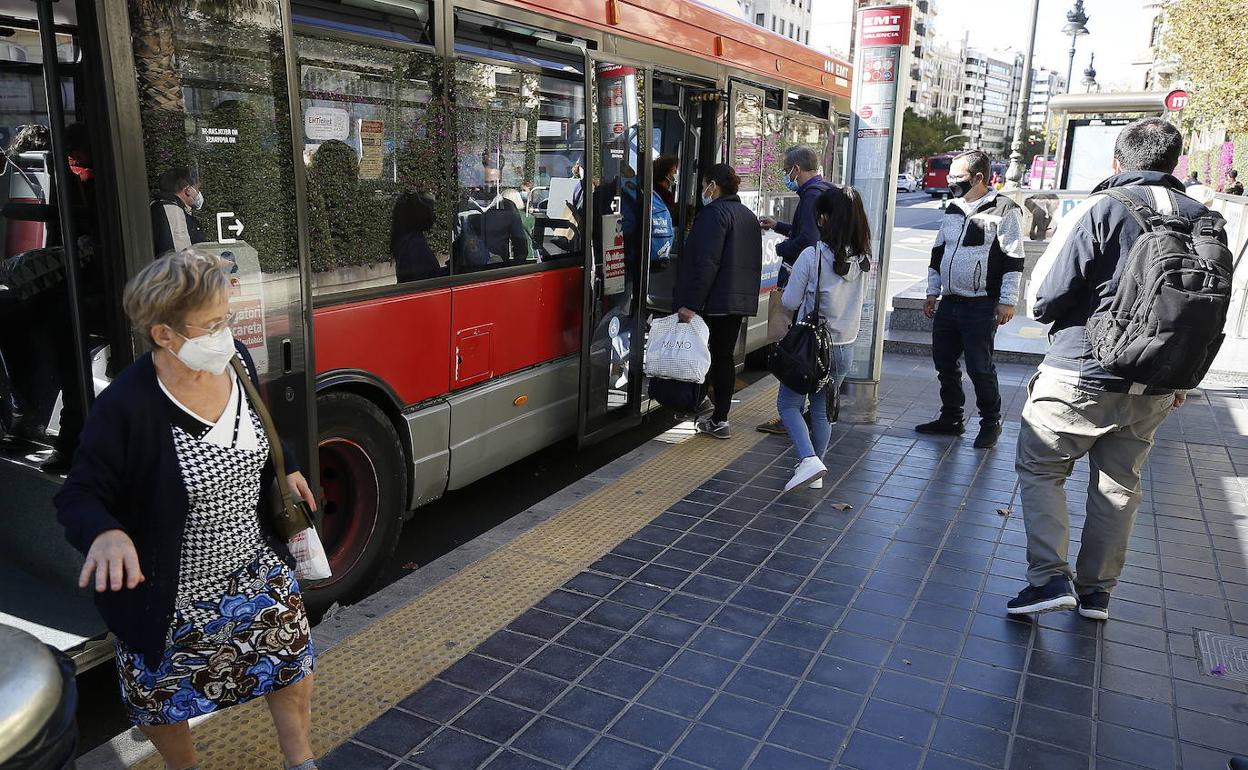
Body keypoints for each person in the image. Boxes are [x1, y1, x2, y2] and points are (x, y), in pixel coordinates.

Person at [55, 250, 320, 770]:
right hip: (170, 590)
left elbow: (260, 424)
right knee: (160, 701)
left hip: (253, 567)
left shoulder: (236, 359)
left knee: (289, 665)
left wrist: (283, 467)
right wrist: (105, 532)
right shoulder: (127, 406)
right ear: (163, 335)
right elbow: (78, 494)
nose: (226, 332)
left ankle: (301, 761)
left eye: (226, 317)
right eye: (212, 324)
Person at [1007, 117, 1226, 621]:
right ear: (1174, 163)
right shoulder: (1203, 218)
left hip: (1081, 370)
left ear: (1117, 162)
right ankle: (1097, 593)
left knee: (1041, 468)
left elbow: (1047, 297)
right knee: (1118, 484)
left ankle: (1048, 579)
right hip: (1157, 378)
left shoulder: (1104, 208)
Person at [915, 149, 1024, 449]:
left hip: (982, 304)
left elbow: (1014, 258)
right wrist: (931, 292)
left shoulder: (1004, 209)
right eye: (949, 175)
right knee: (944, 364)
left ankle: (991, 421)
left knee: (979, 367)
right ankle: (951, 417)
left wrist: (1007, 300)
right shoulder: (953, 208)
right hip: (949, 303)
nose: (950, 181)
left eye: (957, 176)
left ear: (979, 177)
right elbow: (938, 253)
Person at [778, 186, 872, 494]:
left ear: (825, 219)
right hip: (844, 347)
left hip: (812, 347)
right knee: (821, 410)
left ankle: (808, 459)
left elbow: (790, 302)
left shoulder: (812, 255)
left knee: (788, 405)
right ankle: (816, 473)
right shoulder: (865, 259)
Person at [675, 164, 762, 438]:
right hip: (737, 302)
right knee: (723, 356)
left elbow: (706, 264)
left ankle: (697, 403)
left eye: (704, 185)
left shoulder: (713, 215)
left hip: (713, 300)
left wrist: (690, 303)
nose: (703, 191)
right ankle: (720, 419)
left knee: (700, 354)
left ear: (714, 185)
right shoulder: (748, 216)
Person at [756, 145, 832, 434]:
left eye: (787, 171)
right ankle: (800, 414)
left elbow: (808, 241)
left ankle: (792, 414)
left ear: (796, 170)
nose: (787, 176)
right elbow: (805, 231)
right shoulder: (823, 190)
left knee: (793, 347)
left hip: (801, 285)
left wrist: (779, 246)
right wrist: (780, 226)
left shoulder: (811, 195)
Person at [454, 162, 530, 270]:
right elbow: (457, 243)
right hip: (469, 274)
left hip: (498, 272)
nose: (494, 186)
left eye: (497, 182)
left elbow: (520, 244)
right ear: (478, 183)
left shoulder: (508, 207)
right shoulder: (463, 208)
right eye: (488, 182)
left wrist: (514, 271)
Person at [150, 166, 207, 257]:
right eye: (197, 188)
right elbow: (180, 258)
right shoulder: (172, 212)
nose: (198, 193)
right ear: (186, 187)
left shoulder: (172, 209)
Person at [391, 192, 444, 282]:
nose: (433, 216)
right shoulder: (414, 244)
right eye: (430, 211)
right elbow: (428, 280)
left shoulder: (406, 238)